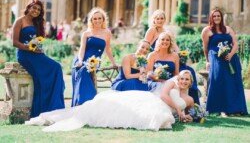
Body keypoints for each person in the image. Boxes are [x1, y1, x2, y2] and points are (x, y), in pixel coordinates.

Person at [25, 70, 194, 132]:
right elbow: (164, 96)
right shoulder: (172, 83)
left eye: (187, 80)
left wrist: (187, 116)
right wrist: (179, 111)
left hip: (166, 109)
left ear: (191, 83)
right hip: (156, 101)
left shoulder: (190, 99)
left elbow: (189, 111)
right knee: (124, 108)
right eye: (182, 78)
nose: (183, 81)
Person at [12, 0, 65, 118]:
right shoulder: (19, 21)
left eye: (38, 9)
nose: (36, 11)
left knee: (55, 69)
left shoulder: (37, 23)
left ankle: (51, 108)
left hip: (37, 54)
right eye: (34, 8)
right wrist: (29, 48)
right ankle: (45, 109)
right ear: (29, 7)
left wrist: (38, 48)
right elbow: (15, 42)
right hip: (24, 55)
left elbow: (37, 41)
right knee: (55, 68)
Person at [201, 8, 248, 116]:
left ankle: (235, 109)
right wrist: (208, 61)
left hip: (231, 59)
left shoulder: (228, 29)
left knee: (233, 82)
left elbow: (235, 43)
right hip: (216, 58)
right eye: (214, 16)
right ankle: (221, 109)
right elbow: (205, 48)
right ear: (211, 18)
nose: (216, 18)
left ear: (221, 17)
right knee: (219, 81)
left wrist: (230, 54)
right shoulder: (207, 30)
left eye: (218, 16)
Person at [71, 7, 116, 107]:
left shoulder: (107, 32)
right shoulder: (86, 33)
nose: (97, 20)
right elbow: (82, 49)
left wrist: (114, 63)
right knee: (83, 70)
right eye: (94, 19)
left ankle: (89, 104)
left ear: (103, 19)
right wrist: (80, 61)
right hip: (82, 59)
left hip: (95, 62)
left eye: (99, 18)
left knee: (85, 71)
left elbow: (108, 49)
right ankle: (83, 103)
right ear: (91, 20)